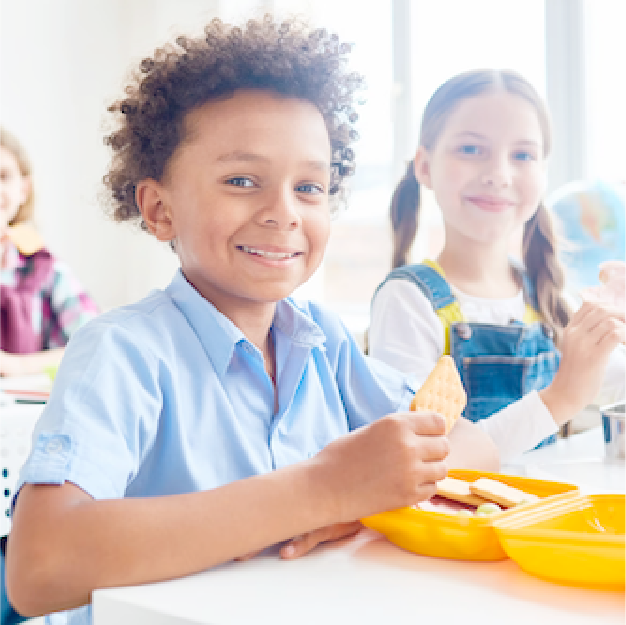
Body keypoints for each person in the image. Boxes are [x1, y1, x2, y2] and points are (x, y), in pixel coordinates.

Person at [5, 17, 499, 623]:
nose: (283, 212)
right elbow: (39, 568)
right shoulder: (121, 352)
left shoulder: (325, 344)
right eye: (242, 180)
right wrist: (318, 491)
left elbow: (469, 449)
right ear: (160, 210)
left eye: (310, 187)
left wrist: (355, 502)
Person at [369, 69, 625, 459]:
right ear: (424, 166)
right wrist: (562, 397)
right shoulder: (407, 299)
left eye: (522, 155)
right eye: (471, 149)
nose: (498, 175)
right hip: (454, 519)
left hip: (541, 516)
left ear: (542, 174)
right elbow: (425, 457)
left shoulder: (546, 295)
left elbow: (608, 378)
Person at [0, 128, 99, 377]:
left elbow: (94, 343)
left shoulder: (45, 268)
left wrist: (16, 366)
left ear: (24, 189)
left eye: (3, 176)